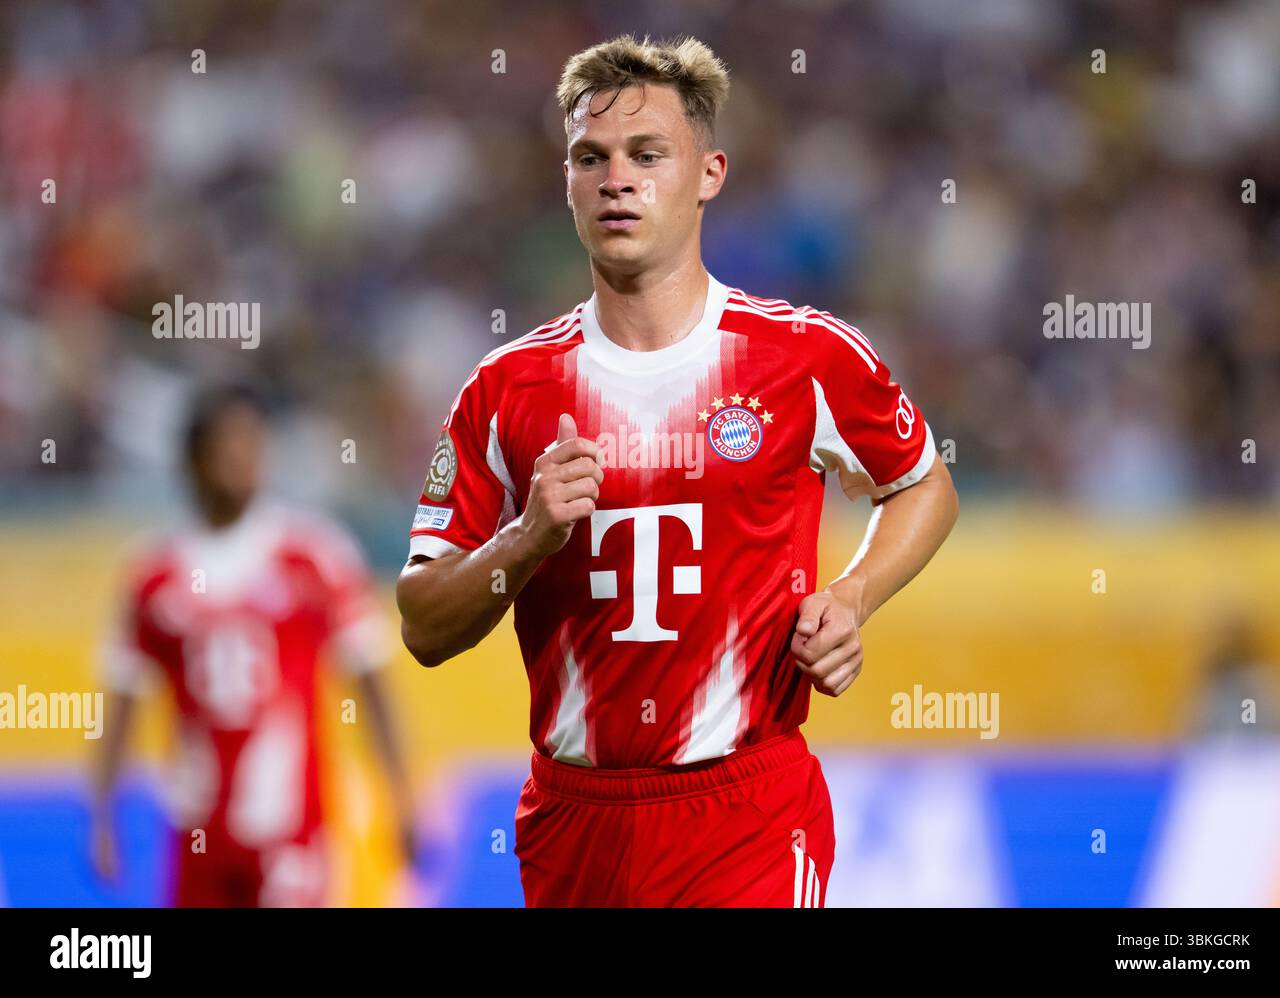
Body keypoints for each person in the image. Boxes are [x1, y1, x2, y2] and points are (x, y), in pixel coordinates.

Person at [396, 34, 959, 907]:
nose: (617, 178)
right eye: (592, 157)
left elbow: (922, 482)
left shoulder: (803, 356)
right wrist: (527, 537)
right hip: (575, 817)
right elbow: (424, 627)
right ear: (570, 184)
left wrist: (852, 596)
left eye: (647, 154)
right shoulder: (504, 389)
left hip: (747, 809)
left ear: (709, 173)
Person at [92, 384, 415, 906]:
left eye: (252, 444)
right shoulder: (154, 573)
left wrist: (402, 794)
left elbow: (372, 681)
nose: (243, 460)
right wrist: (103, 815)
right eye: (228, 447)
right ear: (193, 459)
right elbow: (123, 699)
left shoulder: (312, 554)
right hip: (198, 831)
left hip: (292, 831)